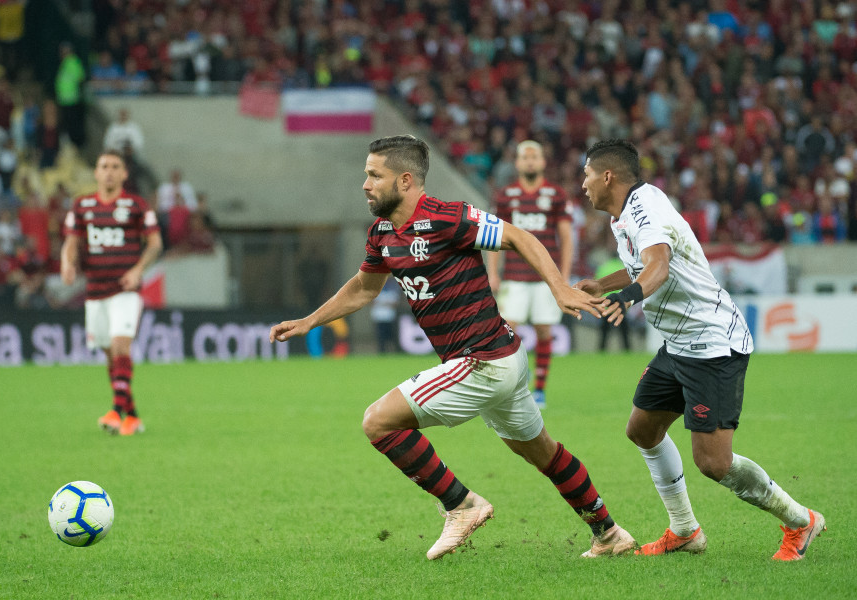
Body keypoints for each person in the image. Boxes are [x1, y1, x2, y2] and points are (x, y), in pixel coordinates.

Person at [270, 135, 635, 560]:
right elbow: (364, 288)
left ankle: (461, 505)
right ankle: (610, 534)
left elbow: (520, 236)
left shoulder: (448, 217)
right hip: (502, 358)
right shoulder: (382, 232)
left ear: (405, 180)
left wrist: (559, 289)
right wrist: (310, 320)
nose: (365, 184)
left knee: (378, 422)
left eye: (374, 175)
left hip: (484, 362)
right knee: (543, 453)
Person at [575, 139, 824, 561]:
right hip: (679, 344)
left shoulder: (643, 210)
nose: (582, 185)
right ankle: (686, 530)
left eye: (585, 175)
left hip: (712, 344)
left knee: (713, 463)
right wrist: (605, 285)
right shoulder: (625, 215)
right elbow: (643, 264)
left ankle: (801, 521)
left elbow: (658, 264)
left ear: (607, 176)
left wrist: (629, 297)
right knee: (642, 429)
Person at [60, 151, 162, 436]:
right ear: (95, 172)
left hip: (125, 291)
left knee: (121, 346)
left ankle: (115, 412)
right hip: (94, 293)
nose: (109, 172)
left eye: (115, 167)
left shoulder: (135, 205)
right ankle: (133, 415)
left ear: (124, 174)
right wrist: (66, 263)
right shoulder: (82, 205)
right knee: (111, 357)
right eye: (104, 166)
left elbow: (154, 243)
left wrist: (138, 269)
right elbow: (71, 242)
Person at [487, 140, 574, 409]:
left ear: (543, 162)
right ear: (517, 163)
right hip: (513, 275)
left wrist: (563, 277)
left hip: (545, 277)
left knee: (544, 331)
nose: (530, 161)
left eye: (534, 156)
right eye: (525, 156)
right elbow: (495, 237)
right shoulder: (505, 195)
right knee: (509, 330)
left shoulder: (556, 194)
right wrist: (493, 272)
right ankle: (515, 387)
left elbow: (566, 239)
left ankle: (539, 390)